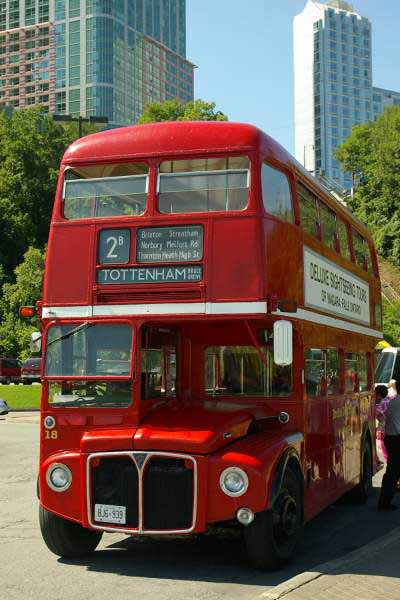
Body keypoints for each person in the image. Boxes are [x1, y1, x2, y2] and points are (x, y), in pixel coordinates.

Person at [378, 384, 400, 511]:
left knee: (392, 471)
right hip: (396, 439)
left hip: (391, 439)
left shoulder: (393, 402)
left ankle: (384, 501)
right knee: (393, 472)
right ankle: (384, 502)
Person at [376, 384, 390, 462]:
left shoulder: (382, 403)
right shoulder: (390, 400)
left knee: (386, 452)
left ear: (378, 395)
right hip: (394, 430)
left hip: (385, 431)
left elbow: (379, 415)